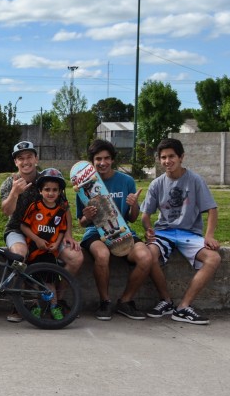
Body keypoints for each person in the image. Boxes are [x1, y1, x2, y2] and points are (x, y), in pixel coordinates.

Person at [141, 138, 221, 325]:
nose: (167, 161)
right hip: (164, 232)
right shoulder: (156, 184)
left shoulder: (195, 180)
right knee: (149, 254)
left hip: (189, 233)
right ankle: (166, 301)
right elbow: (145, 215)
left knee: (214, 258)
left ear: (181, 157)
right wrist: (148, 229)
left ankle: (183, 307)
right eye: (163, 157)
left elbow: (212, 209)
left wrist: (209, 235)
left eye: (171, 156)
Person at [0, 140, 82, 322]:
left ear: (36, 159)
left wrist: (68, 234)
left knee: (76, 257)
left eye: (29, 156)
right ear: (15, 162)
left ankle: (57, 301)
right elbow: (6, 211)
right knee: (20, 255)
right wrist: (14, 193)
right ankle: (20, 303)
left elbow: (65, 208)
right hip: (18, 229)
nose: (25, 161)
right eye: (21, 158)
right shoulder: (10, 182)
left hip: (50, 232)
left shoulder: (48, 179)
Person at [76, 140, 152, 321]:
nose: (103, 163)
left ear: (112, 160)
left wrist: (133, 205)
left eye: (107, 158)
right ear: (92, 161)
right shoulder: (84, 186)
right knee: (102, 255)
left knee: (145, 257)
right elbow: (82, 223)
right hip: (95, 232)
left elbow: (132, 218)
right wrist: (87, 216)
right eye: (98, 159)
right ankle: (105, 302)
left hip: (123, 231)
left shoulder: (126, 181)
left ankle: (125, 301)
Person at [19, 169, 70, 321]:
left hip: (49, 252)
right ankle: (35, 306)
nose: (51, 193)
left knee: (49, 281)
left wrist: (57, 243)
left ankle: (54, 306)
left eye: (54, 190)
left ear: (60, 192)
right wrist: (37, 240)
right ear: (40, 191)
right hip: (35, 250)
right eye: (47, 190)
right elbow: (24, 226)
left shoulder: (60, 211)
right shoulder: (34, 207)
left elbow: (62, 230)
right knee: (34, 281)